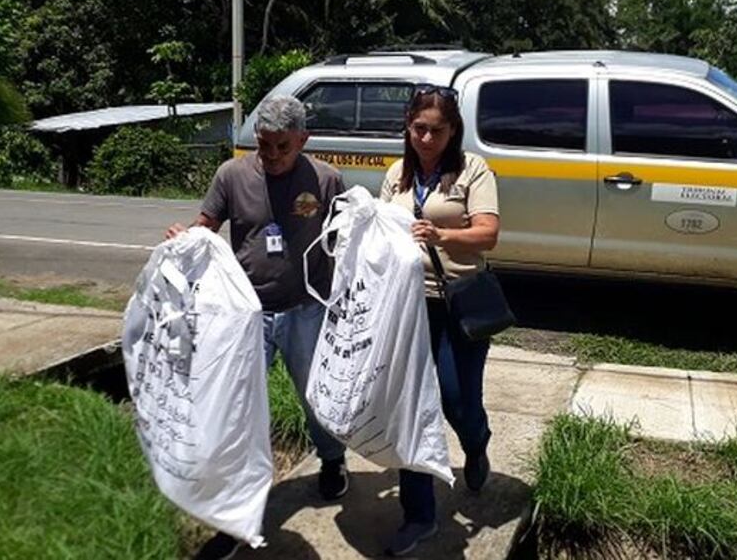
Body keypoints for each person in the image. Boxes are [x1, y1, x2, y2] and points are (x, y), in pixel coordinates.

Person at [166, 95, 348, 560]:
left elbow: (348, 240)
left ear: (303, 141)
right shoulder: (232, 175)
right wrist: (187, 239)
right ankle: (234, 518)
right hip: (245, 316)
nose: (270, 156)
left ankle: (331, 459)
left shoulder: (325, 180)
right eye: (263, 146)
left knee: (316, 398)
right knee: (238, 412)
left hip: (307, 310)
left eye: (281, 147)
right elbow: (207, 224)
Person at [378, 84, 500, 556]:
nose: (427, 139)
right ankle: (419, 514)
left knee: (456, 400)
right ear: (408, 127)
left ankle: (476, 440)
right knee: (411, 407)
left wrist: (442, 234)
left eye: (438, 130)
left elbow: (488, 235)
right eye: (419, 129)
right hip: (409, 305)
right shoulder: (396, 175)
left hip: (460, 302)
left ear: (453, 130)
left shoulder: (473, 170)